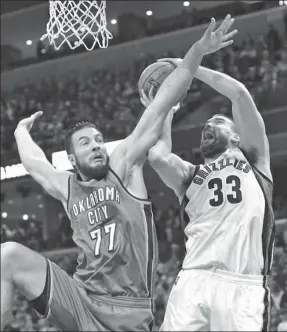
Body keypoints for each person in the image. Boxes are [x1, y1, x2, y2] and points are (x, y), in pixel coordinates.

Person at [0, 15, 237, 331]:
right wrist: (19, 131)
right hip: (81, 300)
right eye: (86, 143)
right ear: (72, 158)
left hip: (127, 313)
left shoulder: (122, 167)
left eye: (99, 140)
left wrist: (196, 51)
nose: (97, 145)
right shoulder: (68, 187)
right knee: (7, 255)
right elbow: (35, 164)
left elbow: (160, 105)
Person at [144, 58, 275, 330]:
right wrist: (165, 107)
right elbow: (157, 156)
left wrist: (188, 66)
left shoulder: (255, 159)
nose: (207, 127)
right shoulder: (191, 175)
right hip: (194, 279)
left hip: (243, 284)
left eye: (216, 122)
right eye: (205, 127)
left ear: (236, 137)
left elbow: (239, 93)